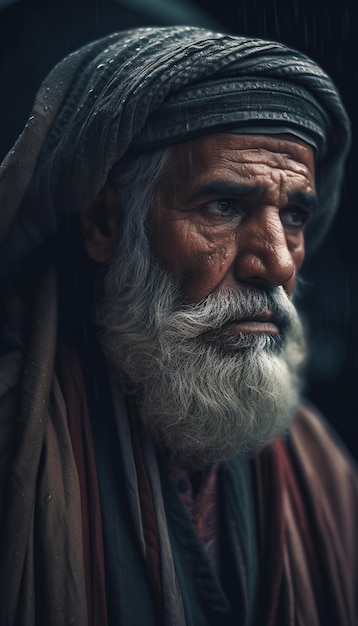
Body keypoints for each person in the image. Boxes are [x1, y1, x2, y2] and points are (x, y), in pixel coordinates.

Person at [0, 25, 357, 626]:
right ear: (106, 223)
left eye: (293, 214)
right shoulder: (15, 436)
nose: (276, 262)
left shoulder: (322, 466)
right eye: (223, 206)